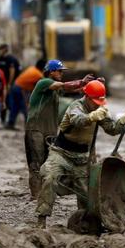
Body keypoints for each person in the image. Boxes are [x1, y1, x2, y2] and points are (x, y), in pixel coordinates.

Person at [36, 80, 125, 228]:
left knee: (88, 196)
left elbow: (111, 129)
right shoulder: (75, 107)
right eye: (94, 101)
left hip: (81, 158)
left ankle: (85, 221)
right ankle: (41, 219)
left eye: (99, 102)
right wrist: (91, 117)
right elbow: (77, 121)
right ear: (87, 97)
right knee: (49, 177)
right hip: (61, 154)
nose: (96, 104)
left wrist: (123, 121)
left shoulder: (99, 109)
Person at [25, 60, 95, 198]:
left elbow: (74, 89)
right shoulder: (43, 82)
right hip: (36, 130)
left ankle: (45, 194)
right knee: (36, 164)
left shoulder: (55, 91)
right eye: (60, 71)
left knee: (48, 165)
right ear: (51, 72)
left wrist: (92, 85)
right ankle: (36, 195)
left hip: (50, 131)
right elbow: (65, 86)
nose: (62, 74)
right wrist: (82, 81)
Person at [7, 58, 47, 129]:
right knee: (25, 107)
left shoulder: (32, 68)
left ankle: (11, 123)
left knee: (15, 107)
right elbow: (42, 85)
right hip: (20, 89)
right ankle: (29, 126)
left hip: (15, 86)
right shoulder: (38, 74)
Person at [0, 44, 21, 125]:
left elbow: (12, 71)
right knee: (2, 100)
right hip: (1, 83)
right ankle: (3, 119)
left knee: (9, 102)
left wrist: (9, 84)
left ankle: (11, 120)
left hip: (10, 84)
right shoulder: (0, 58)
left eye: (0, 49)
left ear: (4, 49)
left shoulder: (10, 58)